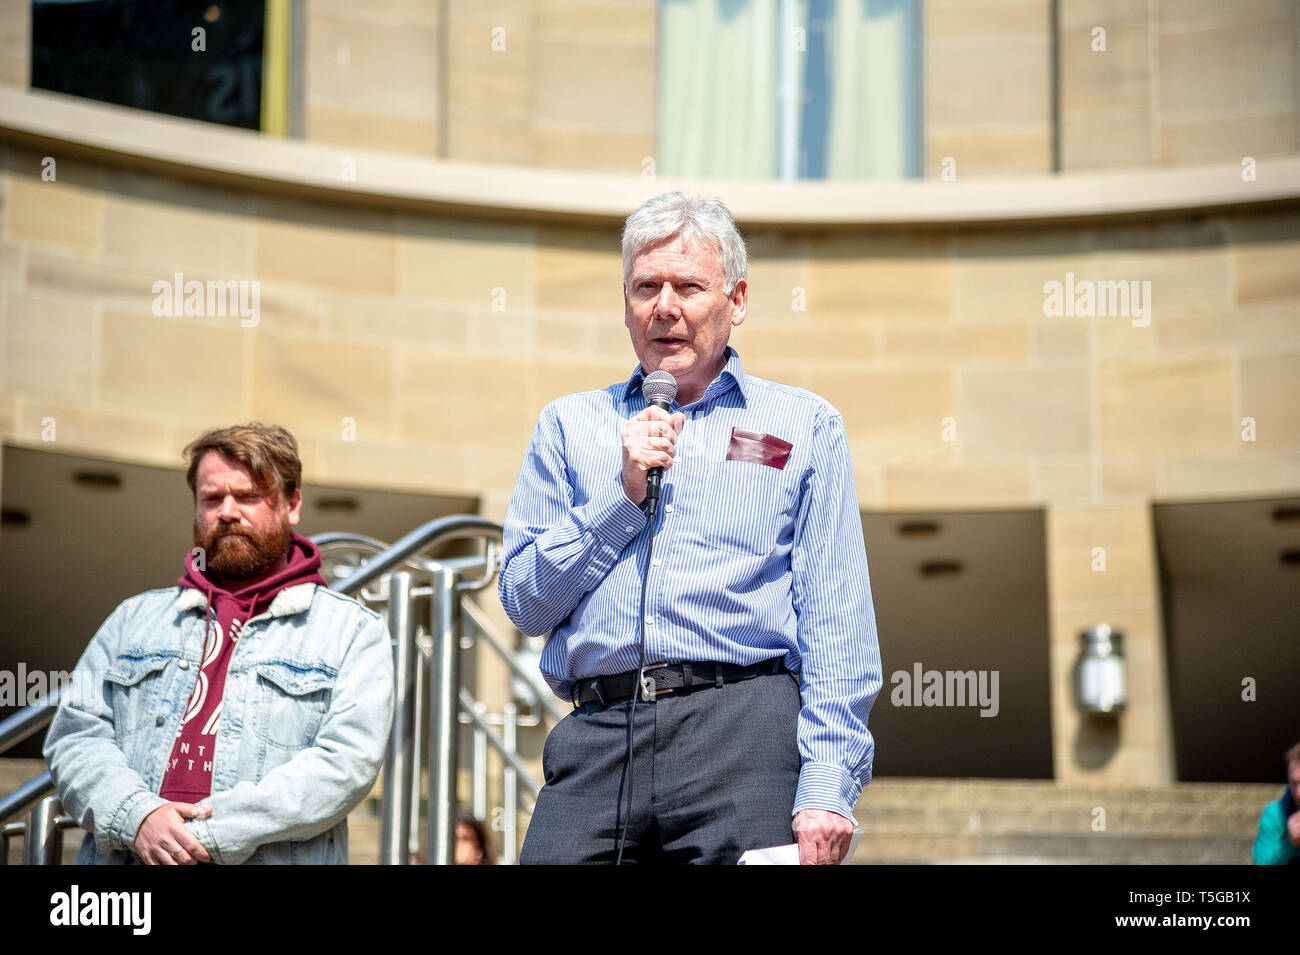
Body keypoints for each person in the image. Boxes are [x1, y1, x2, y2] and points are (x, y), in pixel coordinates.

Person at [499, 191, 881, 865]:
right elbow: (525, 602)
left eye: (689, 285)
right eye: (646, 286)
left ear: (735, 300)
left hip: (743, 733)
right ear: (625, 303)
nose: (665, 306)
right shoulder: (568, 425)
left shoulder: (803, 426)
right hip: (599, 735)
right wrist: (621, 498)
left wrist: (829, 783)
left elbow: (836, 619)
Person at [44, 423, 394, 864]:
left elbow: (345, 765)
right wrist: (139, 817)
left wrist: (207, 832)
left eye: (248, 496)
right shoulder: (133, 619)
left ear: (293, 504)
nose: (227, 511)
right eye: (212, 498)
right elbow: (76, 736)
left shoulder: (351, 631)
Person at [1252, 741, 1300, 865]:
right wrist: (1290, 844)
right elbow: (1261, 863)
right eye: (1294, 783)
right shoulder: (1276, 814)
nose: (1298, 793)